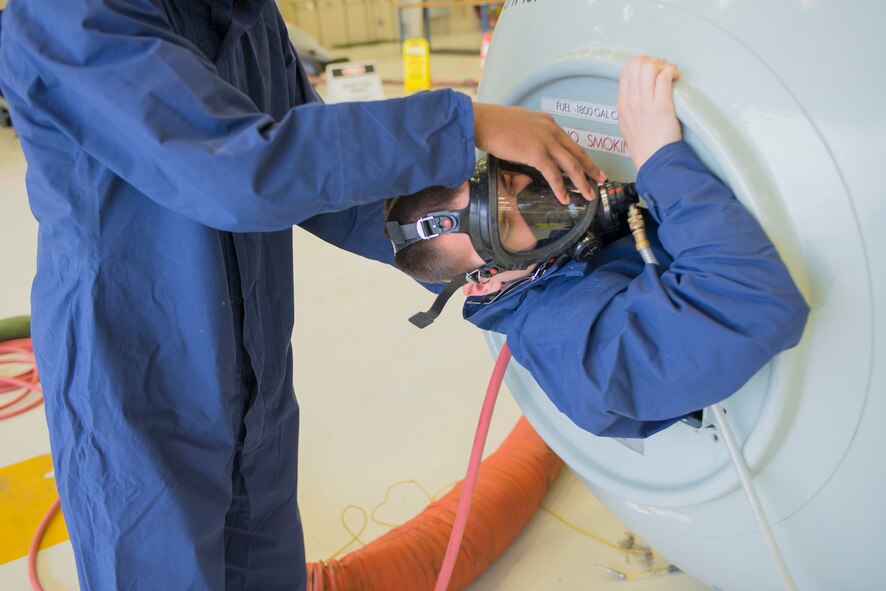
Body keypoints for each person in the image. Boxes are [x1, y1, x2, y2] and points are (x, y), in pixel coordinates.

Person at [0, 1, 607, 589]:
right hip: (135, 389)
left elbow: (326, 185)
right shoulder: (70, 12)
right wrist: (464, 123)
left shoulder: (244, 16)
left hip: (254, 387)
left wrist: (472, 241)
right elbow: (241, 170)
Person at [384, 56, 810, 438]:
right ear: (482, 284)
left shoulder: (554, 266)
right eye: (507, 223)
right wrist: (661, 160)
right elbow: (756, 303)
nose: (547, 202)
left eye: (515, 184)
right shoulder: (580, 351)